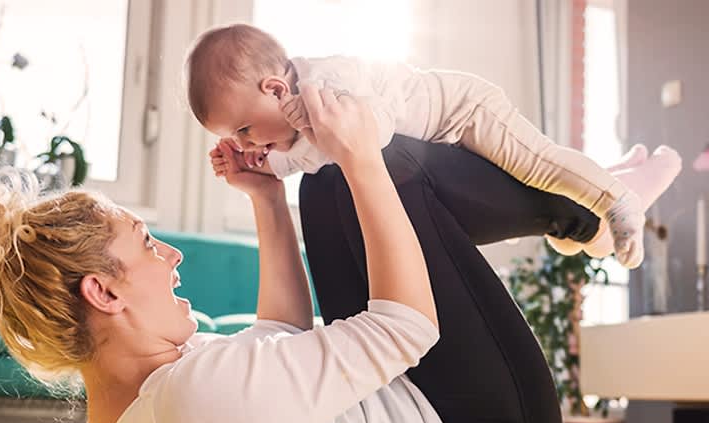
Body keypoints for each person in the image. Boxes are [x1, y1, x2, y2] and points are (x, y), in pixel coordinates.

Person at [0, 85, 649, 423]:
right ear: (104, 290)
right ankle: (591, 208)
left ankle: (585, 208)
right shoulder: (191, 406)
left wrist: (268, 198)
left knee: (327, 181)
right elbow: (405, 329)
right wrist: (362, 156)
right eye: (147, 244)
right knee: (377, 164)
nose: (171, 256)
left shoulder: (136, 408)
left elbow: (277, 340)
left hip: (426, 409)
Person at [185, 23, 682, 270]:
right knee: (540, 205)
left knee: (538, 165)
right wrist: (265, 165)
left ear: (275, 89)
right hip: (445, 140)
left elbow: (372, 137)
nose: (244, 141)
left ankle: (619, 199)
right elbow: (313, 158)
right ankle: (613, 183)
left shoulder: (329, 80)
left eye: (244, 130)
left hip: (465, 111)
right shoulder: (297, 124)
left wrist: (303, 129)